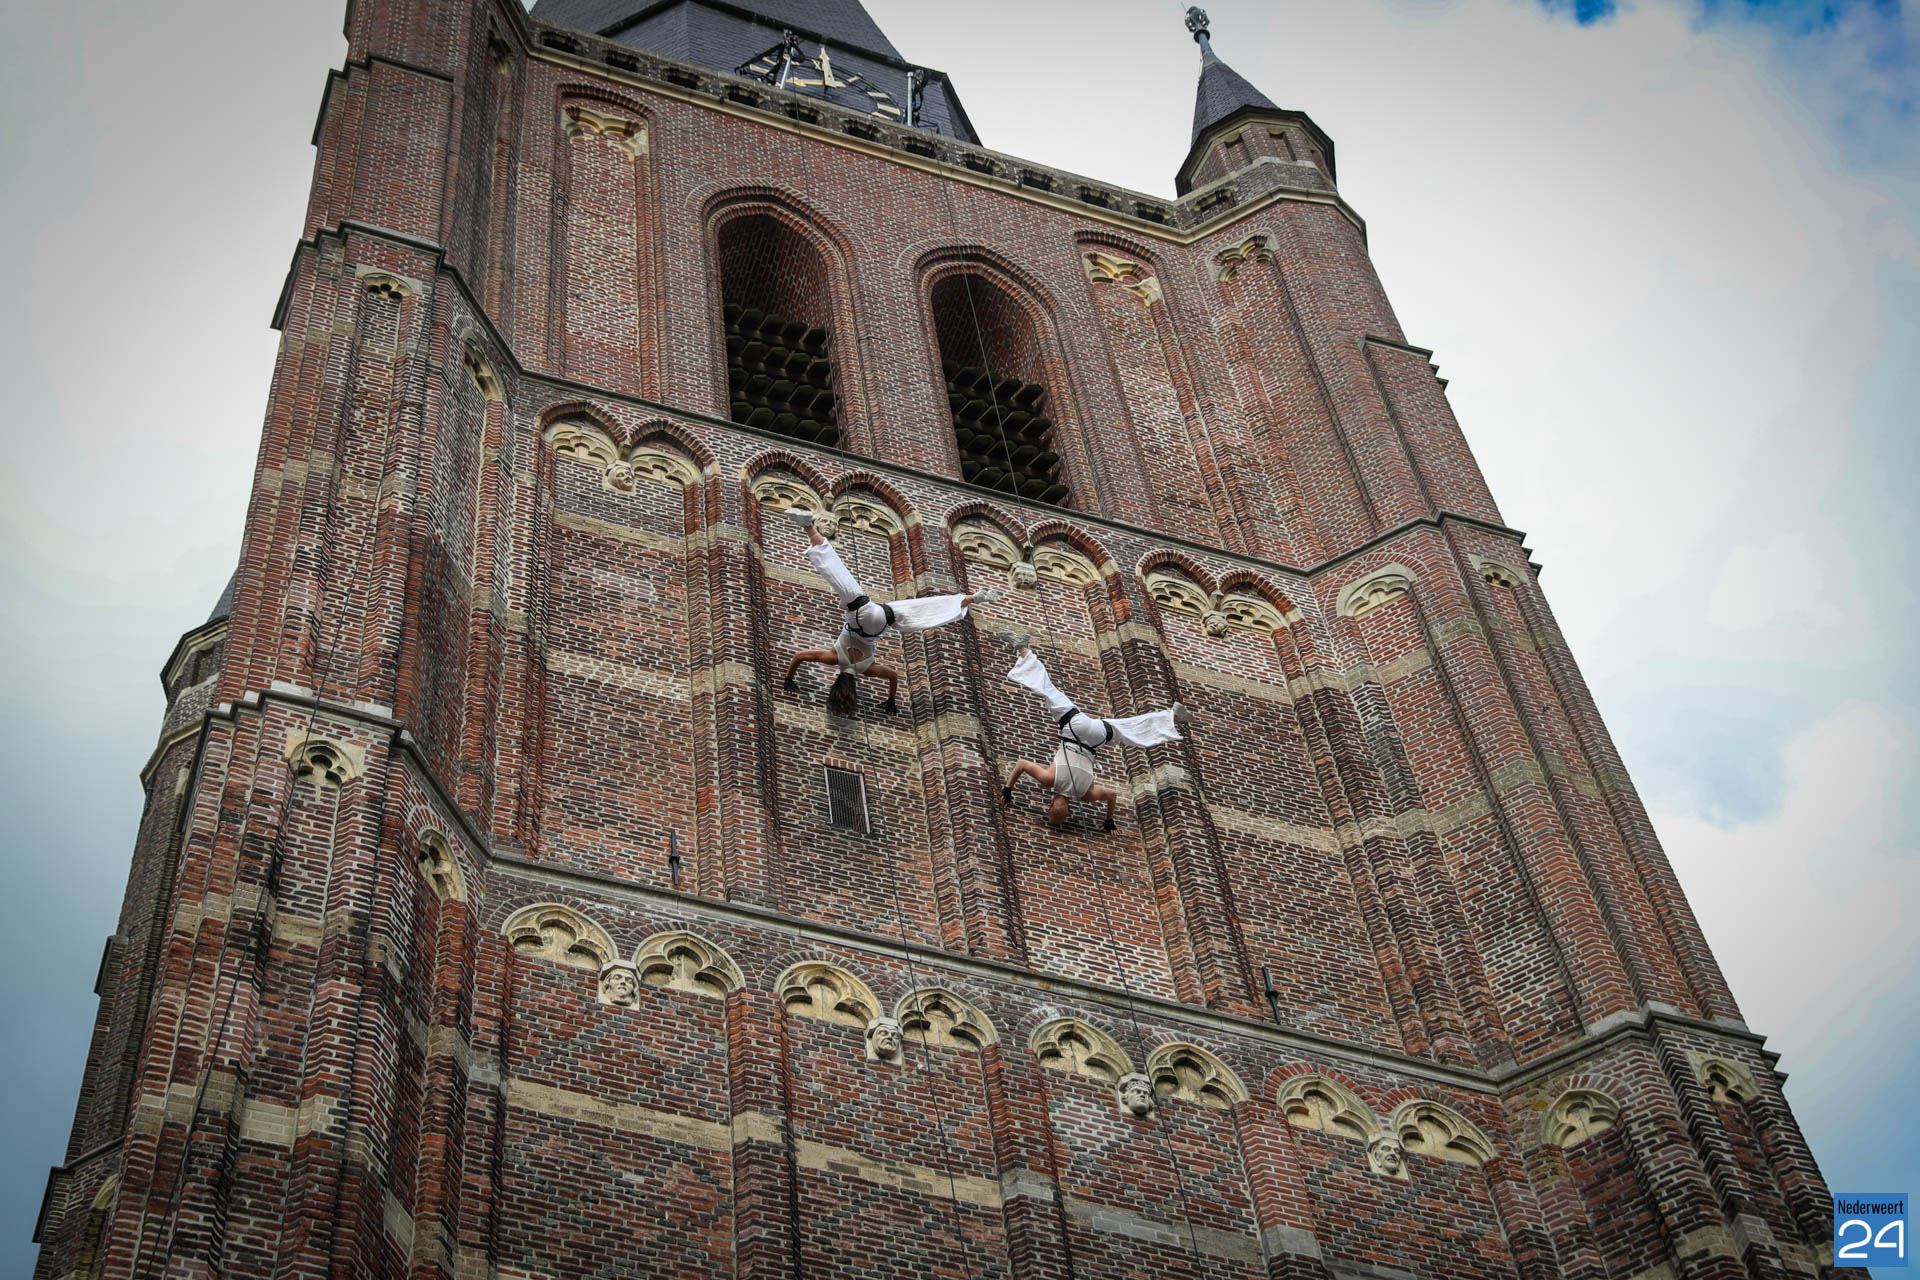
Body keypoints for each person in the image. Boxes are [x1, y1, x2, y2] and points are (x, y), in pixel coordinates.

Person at [780, 507, 1001, 715]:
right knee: (838, 575)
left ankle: (972, 598)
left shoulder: (868, 670)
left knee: (924, 612)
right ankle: (809, 526)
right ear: (837, 680)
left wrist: (891, 701)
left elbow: (893, 677)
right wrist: (789, 679)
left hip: (885, 619)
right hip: (862, 615)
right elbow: (799, 656)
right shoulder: (832, 658)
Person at [998, 634, 1189, 831]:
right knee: (1049, 692)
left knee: (1130, 729)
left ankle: (1173, 716)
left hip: (1098, 736)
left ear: (1069, 807)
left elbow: (1112, 795)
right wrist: (1007, 789)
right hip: (1075, 729)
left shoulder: (1086, 795)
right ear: (1051, 803)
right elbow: (1022, 764)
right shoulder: (1049, 780)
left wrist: (1109, 821)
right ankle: (1023, 648)